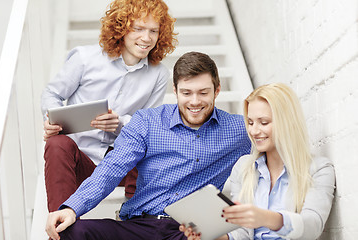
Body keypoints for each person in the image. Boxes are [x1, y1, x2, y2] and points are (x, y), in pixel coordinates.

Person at [45, 51, 251, 240]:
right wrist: (72, 209)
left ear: (217, 90)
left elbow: (274, 140)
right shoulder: (147, 121)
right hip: (139, 224)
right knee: (71, 232)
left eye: (203, 93)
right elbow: (111, 168)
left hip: (189, 231)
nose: (195, 101)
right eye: (186, 93)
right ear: (175, 90)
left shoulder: (240, 130)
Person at [41, 0, 177, 212]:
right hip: (80, 160)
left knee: (152, 143)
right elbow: (52, 94)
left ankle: (137, 222)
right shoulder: (85, 59)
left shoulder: (158, 74)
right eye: (138, 28)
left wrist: (120, 124)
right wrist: (50, 120)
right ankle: (62, 228)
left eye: (153, 31)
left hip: (120, 164)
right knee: (57, 144)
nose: (146, 38)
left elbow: (149, 126)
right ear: (121, 28)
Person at [181, 83, 336, 240]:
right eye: (250, 122)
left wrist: (265, 218)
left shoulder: (318, 169)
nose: (254, 131)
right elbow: (242, 233)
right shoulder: (243, 167)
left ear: (287, 122)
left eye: (263, 122)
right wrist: (213, 236)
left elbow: (313, 227)